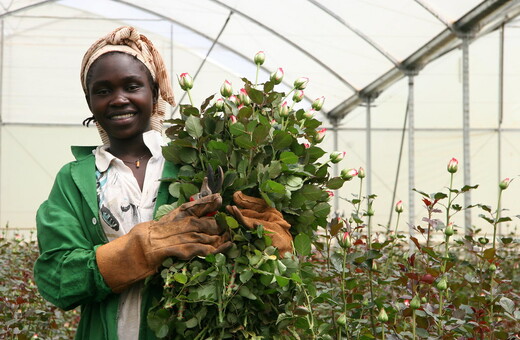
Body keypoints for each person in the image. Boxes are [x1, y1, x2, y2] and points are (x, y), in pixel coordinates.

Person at [33, 26, 292, 340]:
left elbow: (242, 258)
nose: (118, 99)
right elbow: (57, 279)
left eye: (132, 86)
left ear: (154, 93)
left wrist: (272, 244)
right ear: (89, 101)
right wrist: (142, 249)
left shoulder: (197, 163)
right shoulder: (75, 179)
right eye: (102, 91)